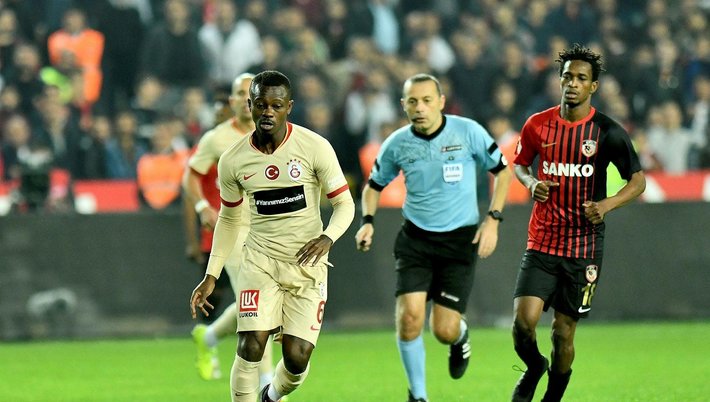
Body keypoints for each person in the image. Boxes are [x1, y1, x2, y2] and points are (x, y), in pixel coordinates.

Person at [189, 70, 355, 402]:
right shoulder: (233, 159)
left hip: (306, 265)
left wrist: (328, 238)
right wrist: (211, 274)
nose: (268, 112)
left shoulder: (314, 147)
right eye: (261, 104)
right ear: (250, 105)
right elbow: (229, 219)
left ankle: (272, 395)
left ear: (288, 107)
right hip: (259, 261)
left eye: (276, 105)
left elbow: (345, 204)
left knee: (297, 357)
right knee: (250, 344)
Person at [354, 73, 513, 402]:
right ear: (404, 105)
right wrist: (367, 221)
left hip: (459, 243)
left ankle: (460, 335)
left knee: (443, 330)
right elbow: (373, 186)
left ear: (441, 102)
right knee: (409, 318)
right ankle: (419, 395)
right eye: (413, 101)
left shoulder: (468, 131)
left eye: (427, 100)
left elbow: (502, 171)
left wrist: (493, 220)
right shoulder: (397, 143)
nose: (420, 107)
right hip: (416, 241)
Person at [509, 44, 646, 402]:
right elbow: (520, 164)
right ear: (559, 79)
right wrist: (531, 183)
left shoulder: (607, 132)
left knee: (562, 333)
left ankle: (552, 398)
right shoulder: (537, 124)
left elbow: (638, 181)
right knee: (522, 325)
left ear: (593, 86)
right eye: (567, 76)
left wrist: (607, 204)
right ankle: (534, 367)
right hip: (542, 240)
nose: (573, 83)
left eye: (581, 78)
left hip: (583, 248)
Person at [183, 73, 276, 386]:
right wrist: (201, 206)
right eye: (240, 94)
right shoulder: (216, 138)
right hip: (235, 229)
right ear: (233, 101)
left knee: (261, 301)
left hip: (270, 230)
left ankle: (209, 336)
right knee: (256, 303)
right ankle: (267, 384)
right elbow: (190, 175)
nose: (247, 100)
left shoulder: (276, 132)